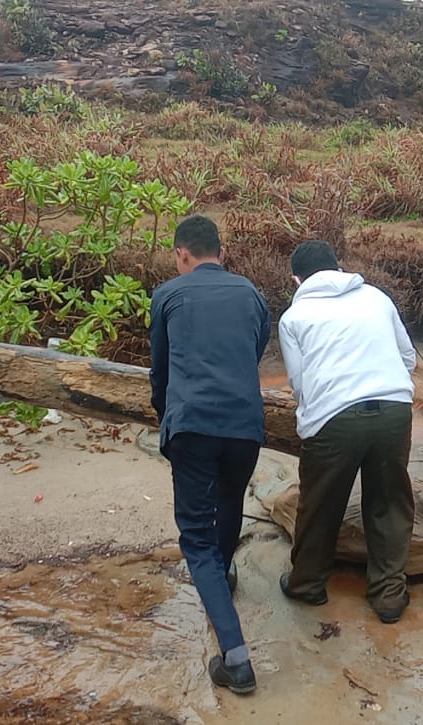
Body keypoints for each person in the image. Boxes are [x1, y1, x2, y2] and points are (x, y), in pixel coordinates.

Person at [148, 215, 269, 696]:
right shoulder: (252, 294)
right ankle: (223, 571)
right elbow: (254, 351)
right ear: (222, 251)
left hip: (193, 424)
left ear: (182, 253)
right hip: (244, 426)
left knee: (195, 538)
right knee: (230, 501)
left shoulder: (169, 295)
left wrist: (166, 413)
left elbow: (160, 367)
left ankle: (236, 658)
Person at [277, 240, 416, 624]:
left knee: (320, 502)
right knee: (389, 501)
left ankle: (307, 584)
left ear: (296, 279)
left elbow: (300, 383)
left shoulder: (294, 316)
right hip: (393, 410)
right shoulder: (376, 297)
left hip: (334, 419)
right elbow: (407, 358)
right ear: (339, 268)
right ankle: (388, 596)